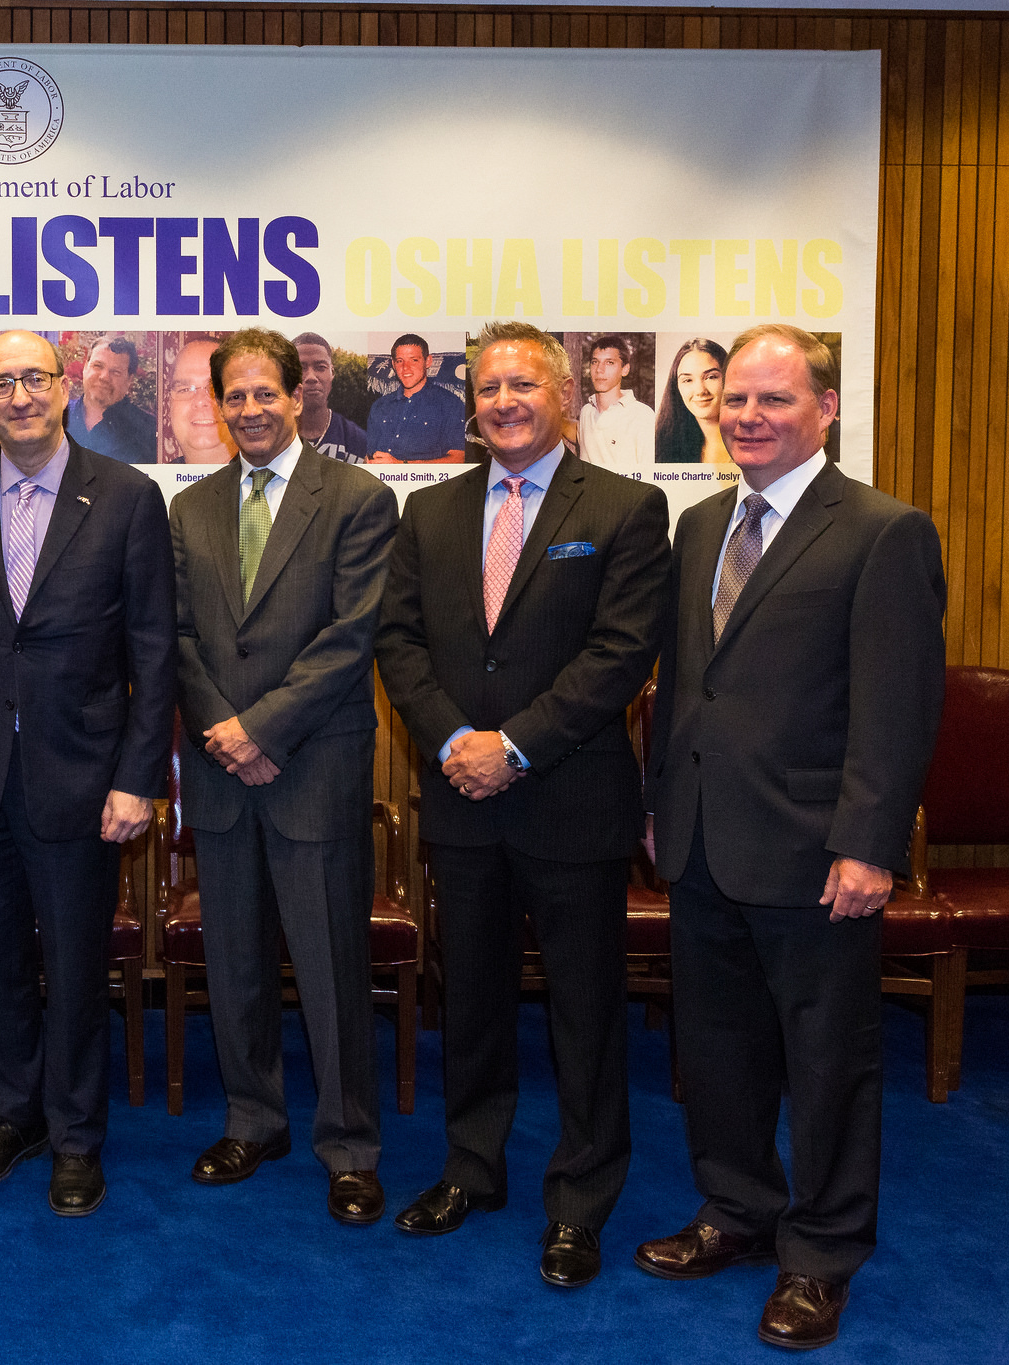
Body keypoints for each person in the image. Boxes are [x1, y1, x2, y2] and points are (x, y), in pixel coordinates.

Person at [638, 324, 945, 1352]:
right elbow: (682, 684)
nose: (746, 418)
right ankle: (734, 1212)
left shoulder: (879, 530)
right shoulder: (696, 528)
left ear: (823, 409)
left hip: (816, 852)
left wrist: (868, 844)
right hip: (697, 840)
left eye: (771, 400)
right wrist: (654, 803)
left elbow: (895, 703)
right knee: (715, 1051)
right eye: (731, 402)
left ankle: (819, 1254)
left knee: (825, 1065)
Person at [375, 320, 669, 1288]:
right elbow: (400, 643)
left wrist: (517, 745)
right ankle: (472, 1168)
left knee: (584, 1011)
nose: (502, 401)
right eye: (488, 388)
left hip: (569, 800)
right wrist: (456, 743)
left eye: (521, 386)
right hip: (462, 800)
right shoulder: (431, 513)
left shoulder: (626, 510)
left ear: (562, 399)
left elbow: (619, 653)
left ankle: (580, 1199)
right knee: (472, 1002)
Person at [0, 329, 174, 1218]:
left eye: (32, 378)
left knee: (72, 961)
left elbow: (152, 650)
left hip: (83, 774)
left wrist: (139, 777)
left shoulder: (129, 496)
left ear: (64, 387)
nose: (18, 395)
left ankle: (75, 1137)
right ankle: (7, 1117)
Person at [169, 328, 398, 1223]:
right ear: (219, 406)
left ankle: (348, 1144)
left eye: (268, 393)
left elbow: (352, 635)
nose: (252, 409)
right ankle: (253, 1118)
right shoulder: (189, 510)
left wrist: (262, 728)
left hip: (312, 764)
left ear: (301, 395)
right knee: (235, 962)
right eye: (236, 396)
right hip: (223, 770)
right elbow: (177, 634)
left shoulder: (358, 496)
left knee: (333, 964)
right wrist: (224, 732)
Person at [366, 334, 468, 463]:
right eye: (399, 361)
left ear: (428, 362)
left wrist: (402, 467)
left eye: (414, 360)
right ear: (393, 364)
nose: (405, 368)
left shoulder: (450, 404)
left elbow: (459, 458)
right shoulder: (379, 406)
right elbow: (366, 453)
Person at [64, 335, 156, 464]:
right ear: (85, 367)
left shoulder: (148, 430)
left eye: (116, 372)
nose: (104, 377)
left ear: (129, 380)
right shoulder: (57, 417)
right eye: (98, 366)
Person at [577, 334, 655, 468]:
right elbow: (576, 431)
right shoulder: (586, 412)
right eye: (595, 362)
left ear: (625, 369)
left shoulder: (643, 416)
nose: (599, 370)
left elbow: (650, 474)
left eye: (609, 362)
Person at [294, 332, 370, 463]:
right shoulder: (271, 436)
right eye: (301, 368)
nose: (311, 377)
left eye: (320, 367)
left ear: (332, 373)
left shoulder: (360, 442)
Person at [654, 337, 730, 465]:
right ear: (676, 387)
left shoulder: (750, 447)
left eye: (711, 377)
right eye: (687, 380)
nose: (700, 390)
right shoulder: (667, 448)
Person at [163, 336, 228, 464]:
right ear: (169, 405)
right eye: (185, 389)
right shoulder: (151, 483)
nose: (200, 401)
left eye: (214, 388)